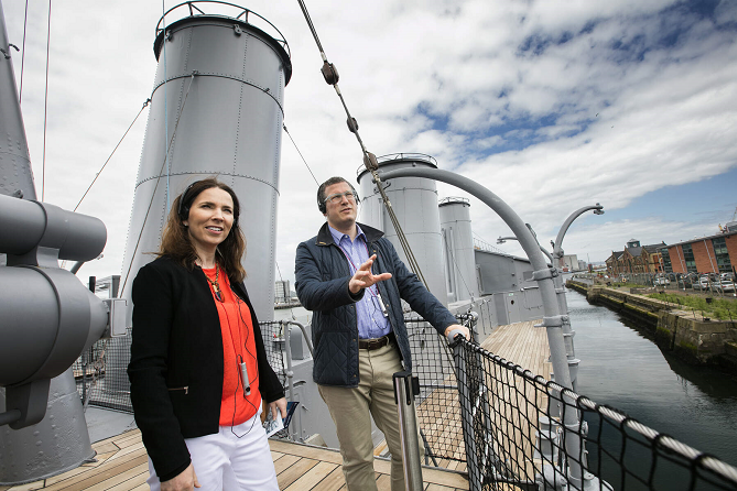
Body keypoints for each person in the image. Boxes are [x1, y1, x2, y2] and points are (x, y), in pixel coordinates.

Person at [294, 176, 470, 491]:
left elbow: (412, 288)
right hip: (344, 363)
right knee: (359, 456)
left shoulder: (380, 244)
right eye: (336, 197)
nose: (345, 200)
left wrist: (448, 323)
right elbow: (308, 294)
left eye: (350, 194)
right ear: (324, 209)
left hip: (390, 357)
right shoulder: (310, 250)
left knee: (409, 446)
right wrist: (349, 286)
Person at [128, 178, 287, 491]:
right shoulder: (159, 277)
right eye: (207, 206)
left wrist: (272, 388)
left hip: (248, 423)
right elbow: (146, 371)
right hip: (196, 432)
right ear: (185, 216)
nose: (219, 215)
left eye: (227, 210)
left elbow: (250, 339)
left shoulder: (231, 276)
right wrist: (171, 460)